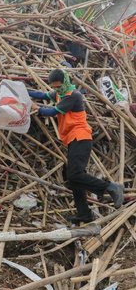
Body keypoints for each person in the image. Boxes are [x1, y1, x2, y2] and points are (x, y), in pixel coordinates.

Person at [29, 69, 124, 224]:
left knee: (74, 175)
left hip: (81, 137)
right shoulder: (60, 93)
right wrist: (23, 91)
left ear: (65, 82)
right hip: (73, 139)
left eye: (59, 86)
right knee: (74, 180)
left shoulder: (74, 96)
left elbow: (52, 111)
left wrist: (37, 108)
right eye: (55, 87)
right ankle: (84, 214)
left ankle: (111, 187)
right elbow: (43, 95)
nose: (57, 89)